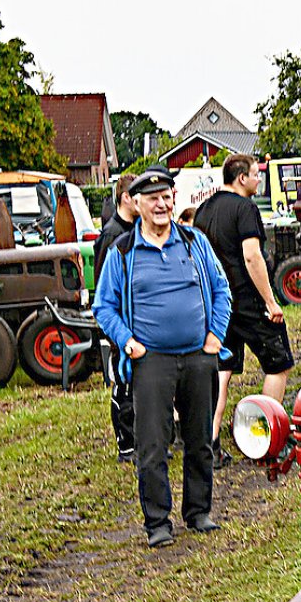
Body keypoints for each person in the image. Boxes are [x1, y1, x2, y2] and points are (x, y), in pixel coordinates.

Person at [93, 165, 233, 548]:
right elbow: (103, 307)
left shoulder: (193, 242)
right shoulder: (123, 251)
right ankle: (158, 522)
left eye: (166, 197)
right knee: (152, 444)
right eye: (152, 198)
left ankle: (198, 511)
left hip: (198, 356)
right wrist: (127, 341)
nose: (161, 204)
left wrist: (213, 336)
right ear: (135, 203)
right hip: (150, 360)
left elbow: (222, 290)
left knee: (200, 438)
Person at [194, 153, 293, 469]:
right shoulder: (245, 208)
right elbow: (252, 257)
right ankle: (266, 437)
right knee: (279, 364)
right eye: (255, 174)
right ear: (241, 178)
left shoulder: (203, 211)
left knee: (222, 371)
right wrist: (271, 301)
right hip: (246, 300)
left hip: (216, 305)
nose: (259, 180)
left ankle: (209, 444)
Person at [95, 173, 138, 463]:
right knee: (123, 384)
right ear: (126, 198)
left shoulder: (134, 229)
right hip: (119, 325)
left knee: (137, 385)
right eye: (139, 196)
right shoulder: (113, 235)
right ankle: (126, 445)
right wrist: (115, 330)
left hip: (135, 323)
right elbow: (103, 284)